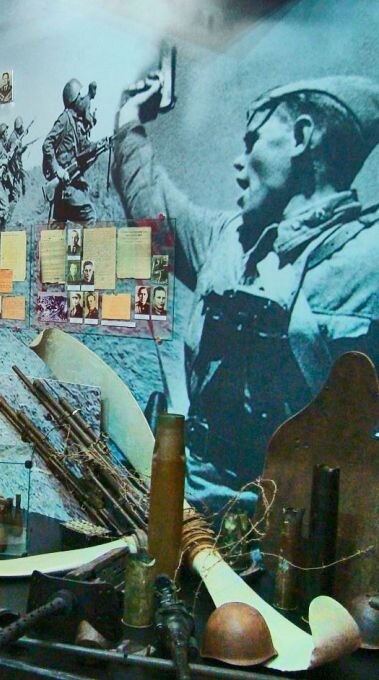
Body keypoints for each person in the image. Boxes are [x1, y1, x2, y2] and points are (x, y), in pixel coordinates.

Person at [113, 74, 379, 498]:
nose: (239, 162)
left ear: (300, 137)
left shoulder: (369, 260)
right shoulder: (229, 238)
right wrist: (129, 119)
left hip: (291, 522)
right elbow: (152, 205)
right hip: (194, 503)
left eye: (252, 141)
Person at [43, 78, 98, 223]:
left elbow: (81, 149)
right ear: (73, 99)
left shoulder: (74, 121)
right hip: (65, 185)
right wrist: (58, 170)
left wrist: (97, 146)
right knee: (89, 215)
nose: (82, 99)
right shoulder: (64, 119)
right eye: (80, 96)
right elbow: (47, 144)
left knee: (57, 228)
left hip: (69, 182)